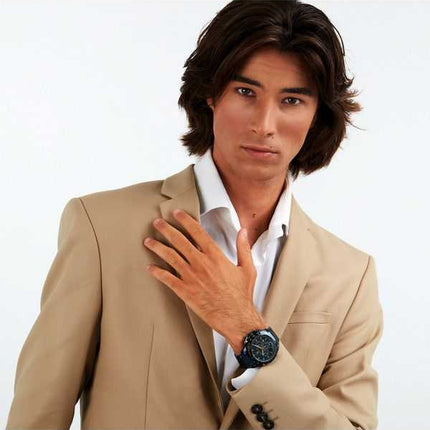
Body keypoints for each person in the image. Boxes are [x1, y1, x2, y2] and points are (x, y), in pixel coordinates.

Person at [6, 1, 383, 429]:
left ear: (317, 116)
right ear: (210, 94)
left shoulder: (349, 277)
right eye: (246, 92)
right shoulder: (101, 228)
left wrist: (247, 330)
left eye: (292, 100)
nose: (264, 123)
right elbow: (38, 415)